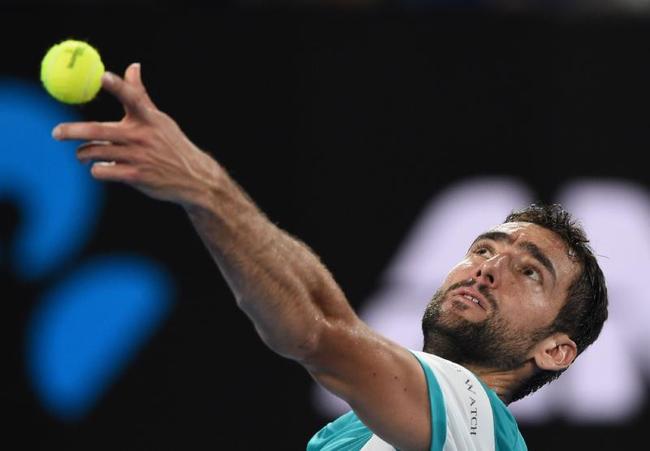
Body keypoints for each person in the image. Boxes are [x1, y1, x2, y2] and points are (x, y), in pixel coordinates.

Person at [52, 63, 608, 451]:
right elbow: (321, 317)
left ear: (556, 350)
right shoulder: (344, 434)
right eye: (483, 248)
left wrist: (203, 188)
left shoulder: (482, 425)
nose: (487, 267)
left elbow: (316, 333)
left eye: (529, 270)